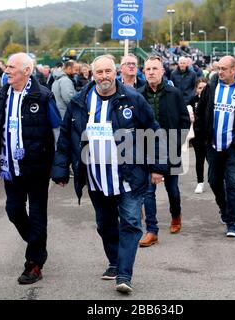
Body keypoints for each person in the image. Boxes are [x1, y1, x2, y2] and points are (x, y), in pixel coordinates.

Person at [51, 55, 168, 293]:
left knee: (131, 224)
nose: (104, 76)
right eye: (99, 72)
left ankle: (124, 274)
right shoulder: (79, 101)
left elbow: (153, 131)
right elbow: (66, 136)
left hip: (129, 176)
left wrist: (157, 167)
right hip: (96, 178)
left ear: (115, 72)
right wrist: (61, 168)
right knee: (105, 225)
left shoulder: (133, 99)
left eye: (108, 71)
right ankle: (114, 262)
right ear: (91, 75)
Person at [0, 52, 61, 285]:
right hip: (9, 165)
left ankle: (34, 263)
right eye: (7, 67)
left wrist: (59, 166)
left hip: (37, 167)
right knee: (13, 210)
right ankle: (38, 247)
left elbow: (57, 130)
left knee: (38, 214)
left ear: (27, 71)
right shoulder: (2, 93)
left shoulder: (42, 95)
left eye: (12, 67)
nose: (7, 70)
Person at [195, 55, 235, 237]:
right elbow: (200, 112)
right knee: (214, 181)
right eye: (218, 68)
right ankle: (224, 209)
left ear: (234, 69)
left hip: (234, 146)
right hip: (213, 145)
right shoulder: (211, 87)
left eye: (224, 69)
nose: (220, 72)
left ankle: (232, 222)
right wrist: (202, 136)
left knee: (233, 183)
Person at [138, 55, 190, 247]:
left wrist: (177, 143)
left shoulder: (174, 93)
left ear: (162, 72)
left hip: (171, 148)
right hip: (147, 150)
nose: (151, 72)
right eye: (148, 69)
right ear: (143, 73)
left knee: (172, 189)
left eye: (155, 69)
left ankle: (176, 215)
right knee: (148, 192)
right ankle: (152, 230)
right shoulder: (138, 94)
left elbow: (184, 120)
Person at [189, 78, 208, 194]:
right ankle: (200, 182)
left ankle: (218, 180)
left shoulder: (213, 100)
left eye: (205, 88)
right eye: (200, 88)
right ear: (196, 89)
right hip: (198, 135)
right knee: (199, 159)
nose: (202, 90)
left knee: (213, 160)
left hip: (211, 136)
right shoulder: (192, 100)